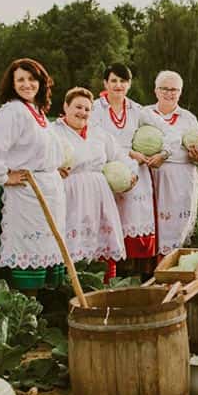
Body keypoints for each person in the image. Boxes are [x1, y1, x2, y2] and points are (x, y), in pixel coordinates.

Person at [0, 58, 67, 291]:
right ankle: (22, 306)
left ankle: (37, 312)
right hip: (26, 195)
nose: (27, 84)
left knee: (44, 249)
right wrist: (4, 175)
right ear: (12, 85)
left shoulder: (37, 112)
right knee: (27, 253)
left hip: (47, 191)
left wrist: (55, 165)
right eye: (20, 80)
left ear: (41, 82)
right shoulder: (13, 111)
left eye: (31, 79)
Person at [88, 64, 166, 275]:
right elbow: (92, 138)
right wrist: (130, 153)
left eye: (123, 81)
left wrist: (162, 153)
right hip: (107, 170)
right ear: (105, 83)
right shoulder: (95, 109)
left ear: (129, 84)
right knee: (109, 221)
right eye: (113, 81)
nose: (118, 85)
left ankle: (135, 276)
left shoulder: (137, 110)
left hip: (135, 172)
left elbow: (164, 129)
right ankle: (109, 275)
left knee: (135, 222)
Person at [51, 87, 127, 267]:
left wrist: (130, 174)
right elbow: (41, 159)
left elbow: (118, 155)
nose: (82, 112)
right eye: (78, 107)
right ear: (66, 106)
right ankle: (71, 282)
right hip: (70, 193)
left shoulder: (98, 133)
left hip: (99, 195)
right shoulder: (53, 132)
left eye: (87, 109)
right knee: (71, 237)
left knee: (100, 238)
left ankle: (101, 283)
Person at [149, 71, 198, 255]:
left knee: (177, 227)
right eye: (164, 88)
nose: (169, 93)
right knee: (151, 225)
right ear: (156, 91)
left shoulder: (188, 118)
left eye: (174, 89)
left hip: (182, 179)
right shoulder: (145, 114)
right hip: (152, 176)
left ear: (180, 92)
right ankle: (148, 275)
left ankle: (172, 270)